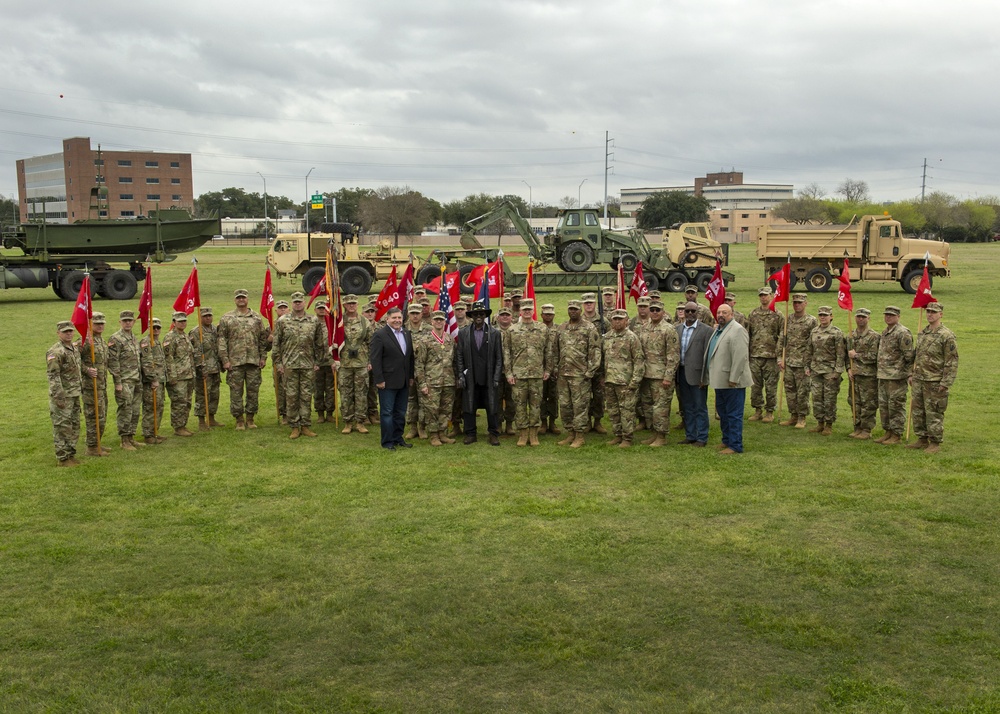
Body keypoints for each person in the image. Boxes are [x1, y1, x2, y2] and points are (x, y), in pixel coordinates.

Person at [547, 299, 601, 448]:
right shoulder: (562, 327)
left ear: (580, 311)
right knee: (565, 405)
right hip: (563, 374)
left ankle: (580, 435)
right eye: (571, 309)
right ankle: (570, 433)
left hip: (580, 375)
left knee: (580, 406)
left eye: (576, 309)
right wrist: (555, 369)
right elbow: (555, 350)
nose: (573, 311)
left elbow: (595, 351)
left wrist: (590, 371)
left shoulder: (589, 328)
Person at [272, 292, 326, 440]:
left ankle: (306, 425)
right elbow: (276, 344)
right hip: (289, 364)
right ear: (292, 304)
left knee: (306, 395)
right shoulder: (283, 321)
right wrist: (278, 363)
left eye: (300, 301)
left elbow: (320, 344)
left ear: (304, 303)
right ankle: (294, 426)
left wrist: (317, 362)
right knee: (291, 396)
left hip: (308, 365)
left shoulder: (313, 321)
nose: (297, 304)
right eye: (295, 302)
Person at [907, 302, 958, 453]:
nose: (930, 314)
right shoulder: (923, 333)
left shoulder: (946, 335)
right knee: (918, 410)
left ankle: (935, 442)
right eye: (928, 312)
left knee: (933, 411)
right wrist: (911, 373)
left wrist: (946, 382)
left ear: (940, 314)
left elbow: (952, 360)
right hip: (919, 378)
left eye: (933, 312)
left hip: (935, 380)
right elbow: (916, 356)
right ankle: (922, 438)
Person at [703, 304, 752, 454]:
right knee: (723, 412)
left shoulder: (737, 330)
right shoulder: (719, 329)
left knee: (733, 414)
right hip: (720, 380)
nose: (721, 314)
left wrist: (734, 378)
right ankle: (726, 440)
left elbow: (740, 356)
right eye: (719, 312)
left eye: (725, 312)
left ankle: (736, 445)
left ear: (732, 314)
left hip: (732, 382)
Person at [217, 288, 269, 430]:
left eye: (243, 297)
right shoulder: (226, 318)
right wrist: (225, 360)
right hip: (235, 362)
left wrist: (263, 357)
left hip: (253, 361)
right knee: (236, 392)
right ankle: (239, 419)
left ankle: (250, 418)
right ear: (235, 300)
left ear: (247, 299)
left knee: (253, 391)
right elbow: (222, 341)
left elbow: (262, 340)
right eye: (239, 298)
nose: (241, 300)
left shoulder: (256, 318)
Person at [455, 300, 503, 446]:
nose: (478, 316)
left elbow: (499, 358)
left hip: (488, 376)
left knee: (492, 406)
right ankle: (470, 433)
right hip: (471, 376)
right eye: (476, 314)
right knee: (469, 406)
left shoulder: (495, 333)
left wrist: (496, 377)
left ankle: (493, 433)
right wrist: (461, 375)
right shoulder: (463, 333)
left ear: (485, 315)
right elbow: (459, 356)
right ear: (471, 315)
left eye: (481, 314)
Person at [503, 299, 549, 447]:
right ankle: (522, 434)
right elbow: (507, 353)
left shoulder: (542, 328)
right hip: (519, 375)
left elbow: (548, 351)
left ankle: (534, 434)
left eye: (530, 309)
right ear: (520, 311)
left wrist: (548, 369)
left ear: (533, 311)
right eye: (525, 309)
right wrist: (508, 373)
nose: (527, 312)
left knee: (536, 405)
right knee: (520, 405)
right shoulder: (512, 330)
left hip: (537, 374)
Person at [369, 307, 415, 450]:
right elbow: (375, 360)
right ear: (387, 319)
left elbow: (410, 357)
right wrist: (379, 380)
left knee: (400, 412)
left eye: (399, 318)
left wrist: (411, 376)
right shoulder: (380, 335)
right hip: (387, 381)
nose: (397, 320)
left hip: (404, 381)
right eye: (394, 318)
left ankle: (398, 438)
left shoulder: (407, 333)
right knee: (387, 413)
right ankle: (387, 442)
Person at [638, 300, 680, 447]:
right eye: (653, 310)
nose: (655, 312)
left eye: (658, 310)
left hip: (661, 377)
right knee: (648, 407)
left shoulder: (669, 329)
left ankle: (661, 436)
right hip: (646, 375)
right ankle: (654, 433)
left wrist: (668, 376)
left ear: (663, 312)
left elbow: (673, 355)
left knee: (661, 408)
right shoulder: (644, 328)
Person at [603, 309, 645, 447]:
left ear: (626, 321)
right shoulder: (607, 337)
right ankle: (617, 435)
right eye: (615, 319)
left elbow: (639, 361)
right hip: (610, 380)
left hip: (626, 382)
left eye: (620, 319)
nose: (617, 321)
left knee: (626, 411)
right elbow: (604, 359)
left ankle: (627, 438)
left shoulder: (632, 337)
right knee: (613, 411)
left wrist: (634, 381)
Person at [414, 311, 457, 446]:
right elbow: (419, 364)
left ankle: (442, 433)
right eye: (436, 320)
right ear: (431, 322)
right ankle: (433, 435)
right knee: (432, 410)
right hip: (432, 381)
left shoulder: (450, 339)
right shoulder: (425, 340)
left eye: (441, 320)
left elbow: (454, 360)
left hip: (448, 381)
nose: (439, 322)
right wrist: (422, 384)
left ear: (445, 322)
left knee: (446, 409)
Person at [675, 301, 713, 447]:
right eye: (687, 311)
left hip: (698, 375)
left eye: (693, 311)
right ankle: (690, 435)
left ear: (697, 313)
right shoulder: (677, 329)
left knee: (700, 407)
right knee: (687, 406)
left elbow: (708, 356)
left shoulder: (706, 330)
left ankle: (702, 437)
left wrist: (705, 377)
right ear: (683, 312)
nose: (690, 314)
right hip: (682, 372)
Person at [874, 305, 914, 445]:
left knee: (895, 405)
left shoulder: (903, 333)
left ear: (898, 317)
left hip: (896, 377)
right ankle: (888, 431)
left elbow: (909, 356)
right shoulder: (885, 332)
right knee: (884, 406)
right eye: (886, 314)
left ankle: (896, 434)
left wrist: (909, 373)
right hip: (883, 375)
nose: (888, 317)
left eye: (891, 315)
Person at [804, 306, 846, 435]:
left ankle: (829, 424)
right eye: (821, 315)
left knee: (829, 399)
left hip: (830, 371)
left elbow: (840, 354)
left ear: (831, 316)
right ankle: (819, 423)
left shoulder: (836, 333)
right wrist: (807, 366)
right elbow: (809, 350)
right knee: (817, 398)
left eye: (825, 315)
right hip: (816, 370)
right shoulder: (814, 331)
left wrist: (837, 372)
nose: (823, 317)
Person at [778, 294, 818, 428]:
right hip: (789, 361)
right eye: (795, 303)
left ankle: (802, 417)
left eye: (800, 302)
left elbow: (814, 343)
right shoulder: (788, 319)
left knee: (803, 392)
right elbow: (782, 340)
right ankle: (793, 416)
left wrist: (810, 363)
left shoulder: (811, 321)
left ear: (805, 303)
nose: (797, 305)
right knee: (790, 391)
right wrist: (780, 358)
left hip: (803, 363)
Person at [47, 321, 83, 466]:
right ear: (58, 333)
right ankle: (62, 458)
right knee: (62, 426)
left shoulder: (73, 349)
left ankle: (70, 454)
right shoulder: (55, 352)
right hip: (63, 395)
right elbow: (53, 376)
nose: (68, 333)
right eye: (65, 331)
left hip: (74, 393)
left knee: (74, 425)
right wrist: (59, 397)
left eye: (70, 331)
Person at [337, 294, 374, 434]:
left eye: (354, 303)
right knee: (346, 394)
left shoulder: (365, 322)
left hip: (361, 364)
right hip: (344, 364)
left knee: (361, 394)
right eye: (348, 303)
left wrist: (370, 361)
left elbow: (371, 343)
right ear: (344, 305)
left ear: (357, 305)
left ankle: (360, 422)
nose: (351, 305)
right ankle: (347, 422)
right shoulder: (339, 322)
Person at [107, 309, 143, 450]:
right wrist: (118, 382)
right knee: (125, 409)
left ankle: (131, 437)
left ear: (134, 322)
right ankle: (124, 440)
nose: (128, 323)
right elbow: (113, 362)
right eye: (125, 321)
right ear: (120, 322)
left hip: (136, 378)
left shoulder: (133, 337)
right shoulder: (115, 339)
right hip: (125, 380)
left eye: (130, 320)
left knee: (135, 410)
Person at [746, 286, 783, 423]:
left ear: (771, 296)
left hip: (771, 356)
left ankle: (769, 411)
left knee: (771, 386)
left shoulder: (777, 314)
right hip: (755, 355)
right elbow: (748, 334)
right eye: (761, 295)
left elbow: (782, 336)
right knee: (755, 385)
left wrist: (779, 355)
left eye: (766, 295)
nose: (763, 297)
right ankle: (757, 410)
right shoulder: (753, 314)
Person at [77, 311, 110, 457]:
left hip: (102, 385)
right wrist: (86, 370)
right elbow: (73, 360)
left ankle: (97, 443)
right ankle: (91, 448)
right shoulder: (84, 341)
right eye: (97, 323)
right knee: (93, 416)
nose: (100, 326)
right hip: (90, 386)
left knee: (102, 415)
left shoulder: (101, 341)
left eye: (102, 323)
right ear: (90, 324)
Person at [847, 307, 880, 439]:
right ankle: (857, 426)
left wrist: (857, 356)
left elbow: (874, 356)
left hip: (868, 376)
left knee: (868, 403)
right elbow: (846, 355)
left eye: (863, 317)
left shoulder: (874, 336)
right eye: (858, 317)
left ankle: (866, 430)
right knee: (854, 402)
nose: (861, 319)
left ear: (868, 319)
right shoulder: (850, 335)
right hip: (854, 375)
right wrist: (848, 368)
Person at [190, 306, 225, 430]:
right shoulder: (196, 332)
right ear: (200, 317)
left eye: (210, 315)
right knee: (202, 394)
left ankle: (211, 417)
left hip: (215, 367)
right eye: (205, 316)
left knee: (214, 394)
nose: (208, 318)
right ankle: (201, 421)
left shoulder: (215, 330)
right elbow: (196, 352)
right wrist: (201, 368)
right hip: (203, 369)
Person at [162, 311, 196, 437]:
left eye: (184, 321)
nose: (182, 323)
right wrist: (172, 376)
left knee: (186, 402)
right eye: (179, 321)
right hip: (178, 376)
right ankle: (178, 427)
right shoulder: (170, 337)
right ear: (174, 323)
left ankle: (183, 425)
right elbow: (168, 358)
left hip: (188, 374)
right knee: (178, 402)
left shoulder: (185, 336)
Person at [581, 292, 609, 434]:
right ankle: (585, 422)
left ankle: (597, 422)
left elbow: (610, 342)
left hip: (600, 365)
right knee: (584, 396)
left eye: (591, 302)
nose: (589, 305)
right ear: (583, 305)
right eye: (586, 303)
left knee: (599, 396)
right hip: (582, 366)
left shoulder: (604, 321)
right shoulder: (579, 321)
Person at [404, 303, 431, 440]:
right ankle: (412, 427)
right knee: (410, 399)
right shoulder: (402, 329)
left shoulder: (429, 329)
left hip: (424, 371)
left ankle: (422, 427)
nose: (415, 316)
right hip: (407, 370)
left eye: (417, 313)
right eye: (412, 313)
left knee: (423, 399)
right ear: (408, 314)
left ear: (422, 314)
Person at [139, 318, 166, 445]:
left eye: (158, 327)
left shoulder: (157, 342)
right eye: (153, 327)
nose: (155, 330)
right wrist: (153, 379)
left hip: (160, 380)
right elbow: (147, 362)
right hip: (152, 381)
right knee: (151, 407)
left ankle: (155, 431)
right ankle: (148, 434)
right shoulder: (146, 342)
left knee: (159, 406)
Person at [538, 303, 561, 435]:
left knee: (553, 395)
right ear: (541, 315)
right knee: (541, 396)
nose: (548, 316)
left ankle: (552, 422)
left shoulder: (558, 329)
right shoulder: (538, 328)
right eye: (546, 314)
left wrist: (557, 367)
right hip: (540, 368)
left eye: (550, 314)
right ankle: (543, 422)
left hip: (555, 368)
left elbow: (560, 349)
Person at [313, 300, 336, 423]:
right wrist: (313, 362)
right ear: (315, 310)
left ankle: (330, 413)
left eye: (324, 308)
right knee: (318, 389)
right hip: (317, 362)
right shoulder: (312, 323)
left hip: (330, 361)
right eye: (319, 308)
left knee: (331, 389)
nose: (322, 310)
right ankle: (320, 413)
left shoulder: (331, 323)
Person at [495, 306, 517, 435]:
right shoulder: (492, 331)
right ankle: (498, 424)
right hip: (497, 371)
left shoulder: (516, 331)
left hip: (513, 370)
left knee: (511, 399)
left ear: (511, 317)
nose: (504, 317)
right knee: (497, 399)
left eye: (507, 315)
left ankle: (509, 424)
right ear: (498, 317)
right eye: (502, 315)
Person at [273, 299, 291, 424]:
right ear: (276, 310)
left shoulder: (291, 323)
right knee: (280, 388)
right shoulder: (271, 324)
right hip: (278, 361)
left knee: (291, 388)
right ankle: (283, 413)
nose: (283, 309)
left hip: (291, 360)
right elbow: (266, 344)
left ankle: (292, 413)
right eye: (280, 308)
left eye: (285, 307)